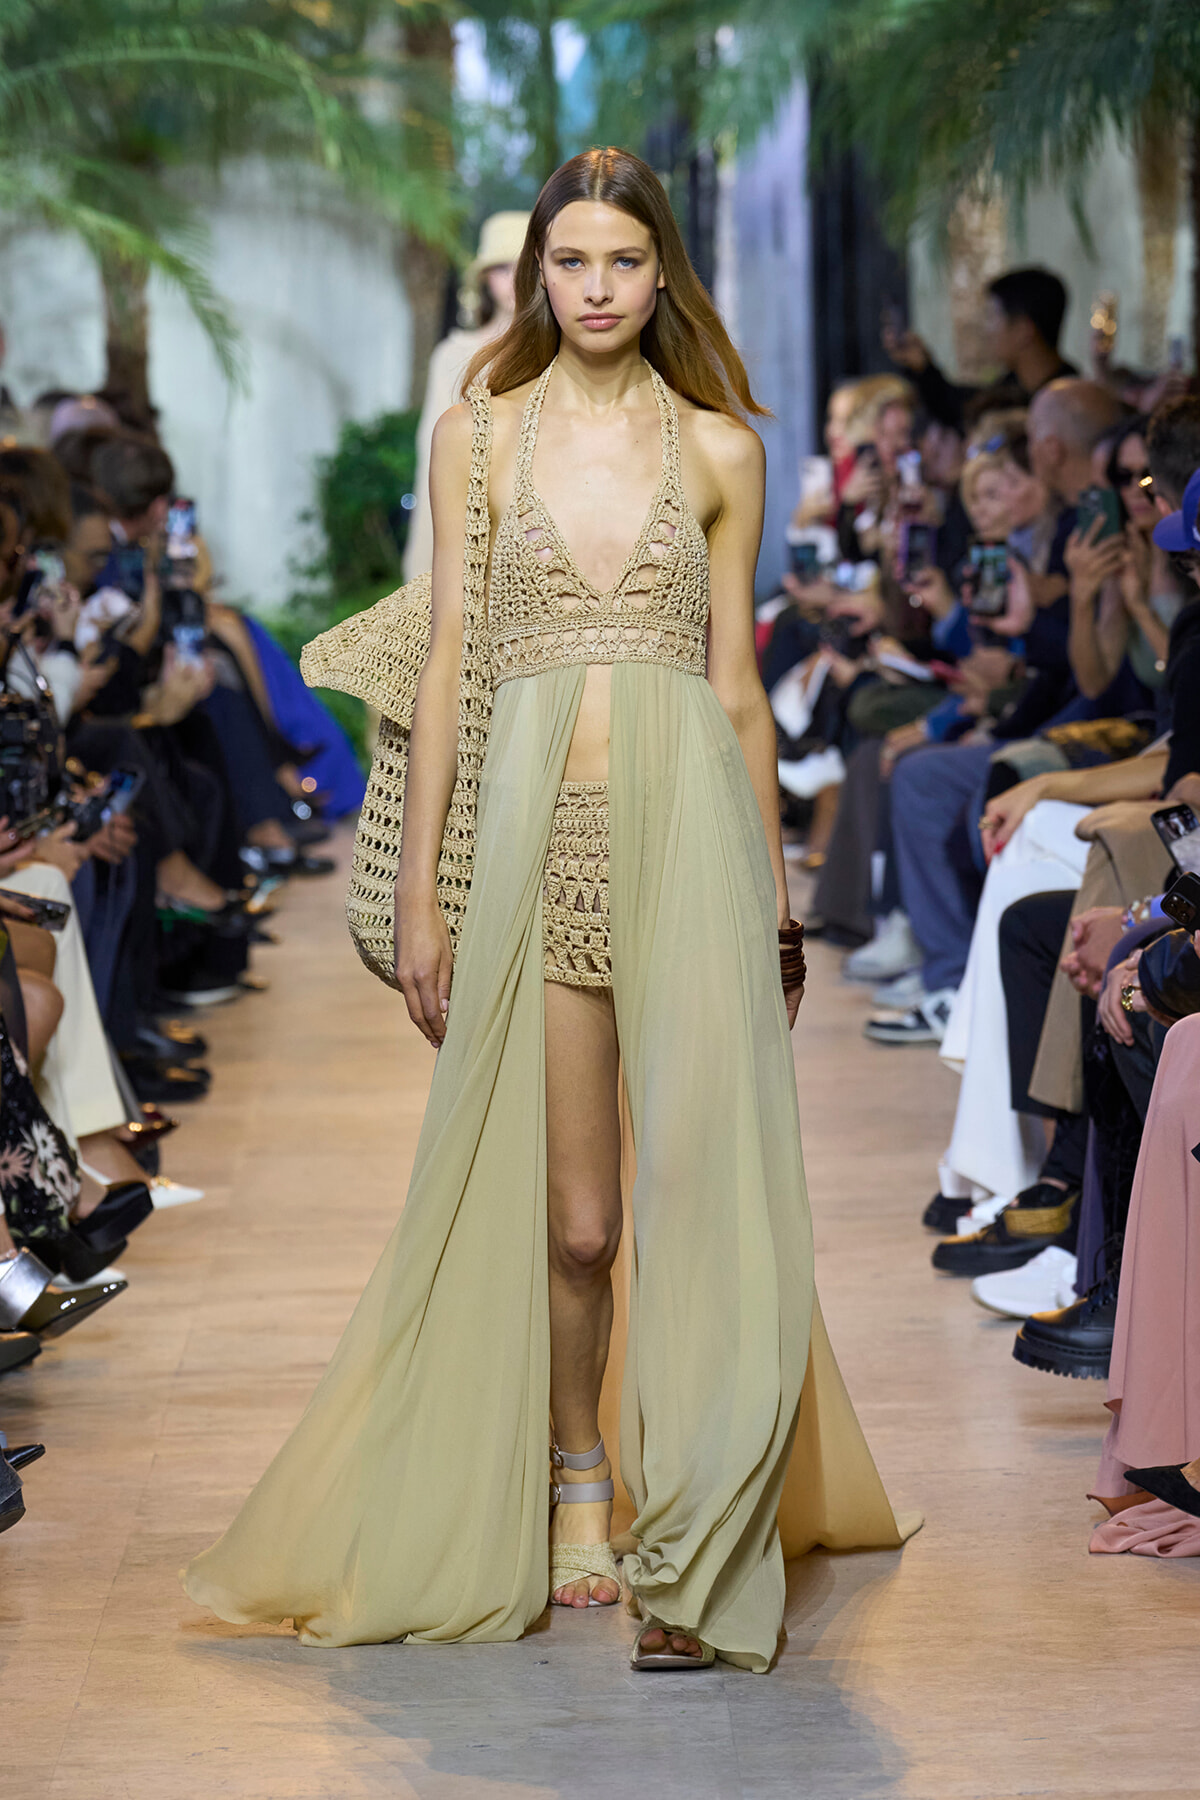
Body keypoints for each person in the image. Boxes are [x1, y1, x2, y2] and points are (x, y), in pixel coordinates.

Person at [184, 147, 917, 1673]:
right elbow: (452, 658)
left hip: (696, 843)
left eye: (624, 264)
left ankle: (700, 1551)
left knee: (712, 1201)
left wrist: (779, 898)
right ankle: (579, 1470)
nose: (596, 289)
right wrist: (430, 891)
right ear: (539, 280)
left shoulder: (721, 449)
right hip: (533, 843)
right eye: (571, 263)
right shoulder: (483, 440)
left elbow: (735, 690)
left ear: (664, 279)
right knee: (580, 1228)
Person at [402, 211, 528, 583]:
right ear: (486, 278)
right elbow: (434, 452)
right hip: (468, 517)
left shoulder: (567, 351)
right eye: (502, 268)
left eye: (525, 267)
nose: (514, 280)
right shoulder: (454, 354)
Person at [884, 266, 1077, 436]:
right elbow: (958, 407)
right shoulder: (1010, 389)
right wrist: (922, 366)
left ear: (1024, 330)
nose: (987, 330)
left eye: (993, 317)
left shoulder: (1071, 405)